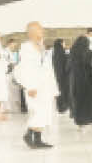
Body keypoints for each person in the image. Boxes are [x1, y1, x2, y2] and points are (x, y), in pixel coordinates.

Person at [14, 21, 59, 149]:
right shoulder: (26, 47)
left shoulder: (41, 45)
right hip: (35, 86)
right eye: (40, 29)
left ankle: (38, 139)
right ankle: (29, 135)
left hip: (45, 85)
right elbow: (26, 68)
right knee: (38, 112)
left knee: (45, 112)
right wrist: (30, 86)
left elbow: (47, 67)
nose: (42, 30)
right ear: (32, 32)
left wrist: (53, 87)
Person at [69, 34, 92, 126]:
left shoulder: (72, 52)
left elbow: (69, 66)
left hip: (75, 80)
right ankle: (90, 118)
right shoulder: (90, 53)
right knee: (90, 99)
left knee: (78, 99)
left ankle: (79, 120)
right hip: (88, 80)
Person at [51, 38, 70, 116]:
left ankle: (60, 107)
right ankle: (64, 107)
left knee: (59, 91)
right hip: (64, 76)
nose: (64, 45)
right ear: (61, 44)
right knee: (64, 91)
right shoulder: (63, 53)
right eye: (64, 43)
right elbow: (67, 64)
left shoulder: (54, 54)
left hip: (56, 76)